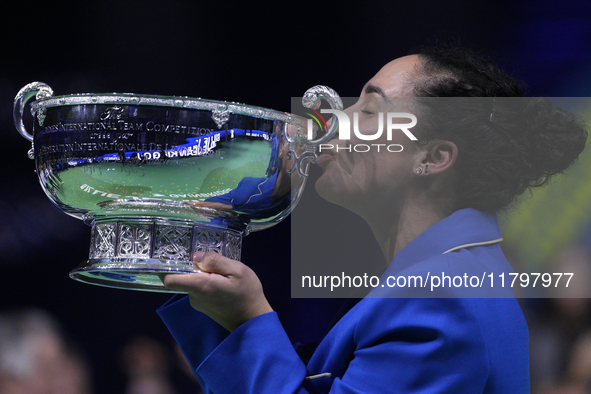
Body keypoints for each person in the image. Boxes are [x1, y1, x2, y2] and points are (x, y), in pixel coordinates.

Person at [156, 45, 588, 393]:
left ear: (433, 157)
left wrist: (247, 319)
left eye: (369, 111)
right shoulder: (447, 277)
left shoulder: (440, 295)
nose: (333, 122)